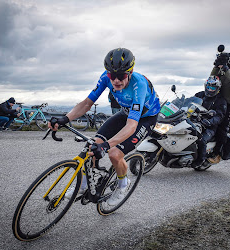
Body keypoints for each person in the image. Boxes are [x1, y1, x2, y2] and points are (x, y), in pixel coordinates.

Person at [48, 48, 160, 206]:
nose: (116, 81)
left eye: (121, 76)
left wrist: (107, 145)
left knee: (114, 154)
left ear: (131, 72)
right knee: (92, 146)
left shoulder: (139, 85)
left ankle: (123, 185)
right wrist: (65, 118)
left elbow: (132, 125)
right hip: (125, 113)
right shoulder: (105, 78)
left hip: (145, 119)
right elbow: (87, 103)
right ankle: (85, 184)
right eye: (112, 75)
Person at [192, 76, 227, 167]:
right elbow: (190, 102)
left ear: (217, 88)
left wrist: (210, 122)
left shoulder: (221, 100)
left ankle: (200, 160)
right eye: (208, 87)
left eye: (212, 87)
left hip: (209, 126)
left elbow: (219, 116)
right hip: (194, 120)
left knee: (201, 139)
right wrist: (181, 101)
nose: (210, 89)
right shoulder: (200, 95)